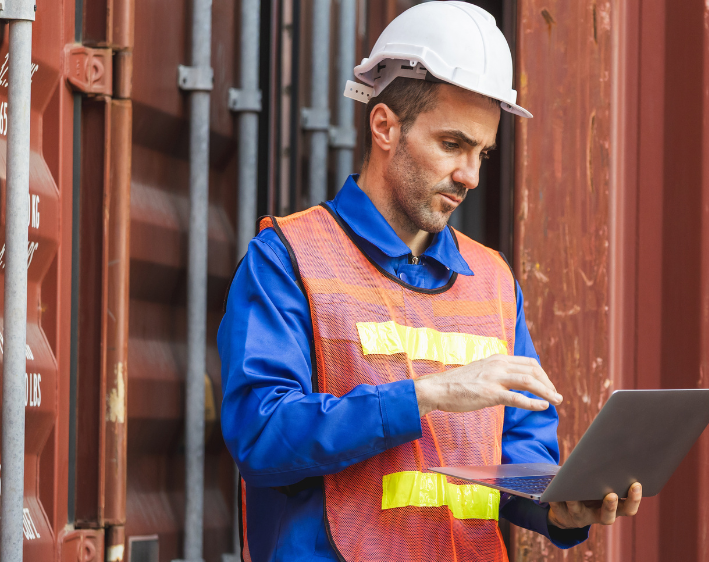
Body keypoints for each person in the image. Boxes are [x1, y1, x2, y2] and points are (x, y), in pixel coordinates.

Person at [218, 3, 641, 560]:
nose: (470, 175)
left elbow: (519, 453)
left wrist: (559, 506)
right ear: (385, 126)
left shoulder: (492, 279)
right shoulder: (289, 258)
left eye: (482, 152)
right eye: (452, 145)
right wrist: (427, 396)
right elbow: (261, 436)